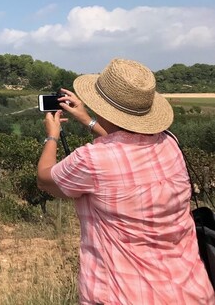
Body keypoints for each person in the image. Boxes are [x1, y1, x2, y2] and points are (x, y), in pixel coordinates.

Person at [36, 58, 215, 304]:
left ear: (102, 106)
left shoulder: (92, 159)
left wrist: (52, 137)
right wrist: (86, 119)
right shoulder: (170, 143)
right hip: (191, 290)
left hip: (123, 295)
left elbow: (45, 179)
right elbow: (129, 142)